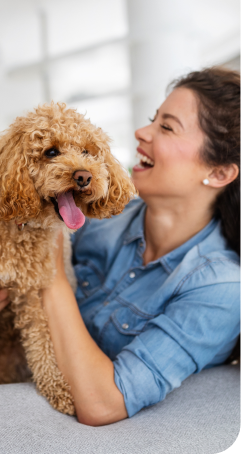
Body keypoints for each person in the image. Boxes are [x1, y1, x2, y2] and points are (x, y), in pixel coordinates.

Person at [39, 67, 241, 426]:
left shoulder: (221, 288)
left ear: (220, 173)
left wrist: (49, 275)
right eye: (153, 119)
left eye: (166, 127)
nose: (141, 132)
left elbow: (103, 404)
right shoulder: (100, 218)